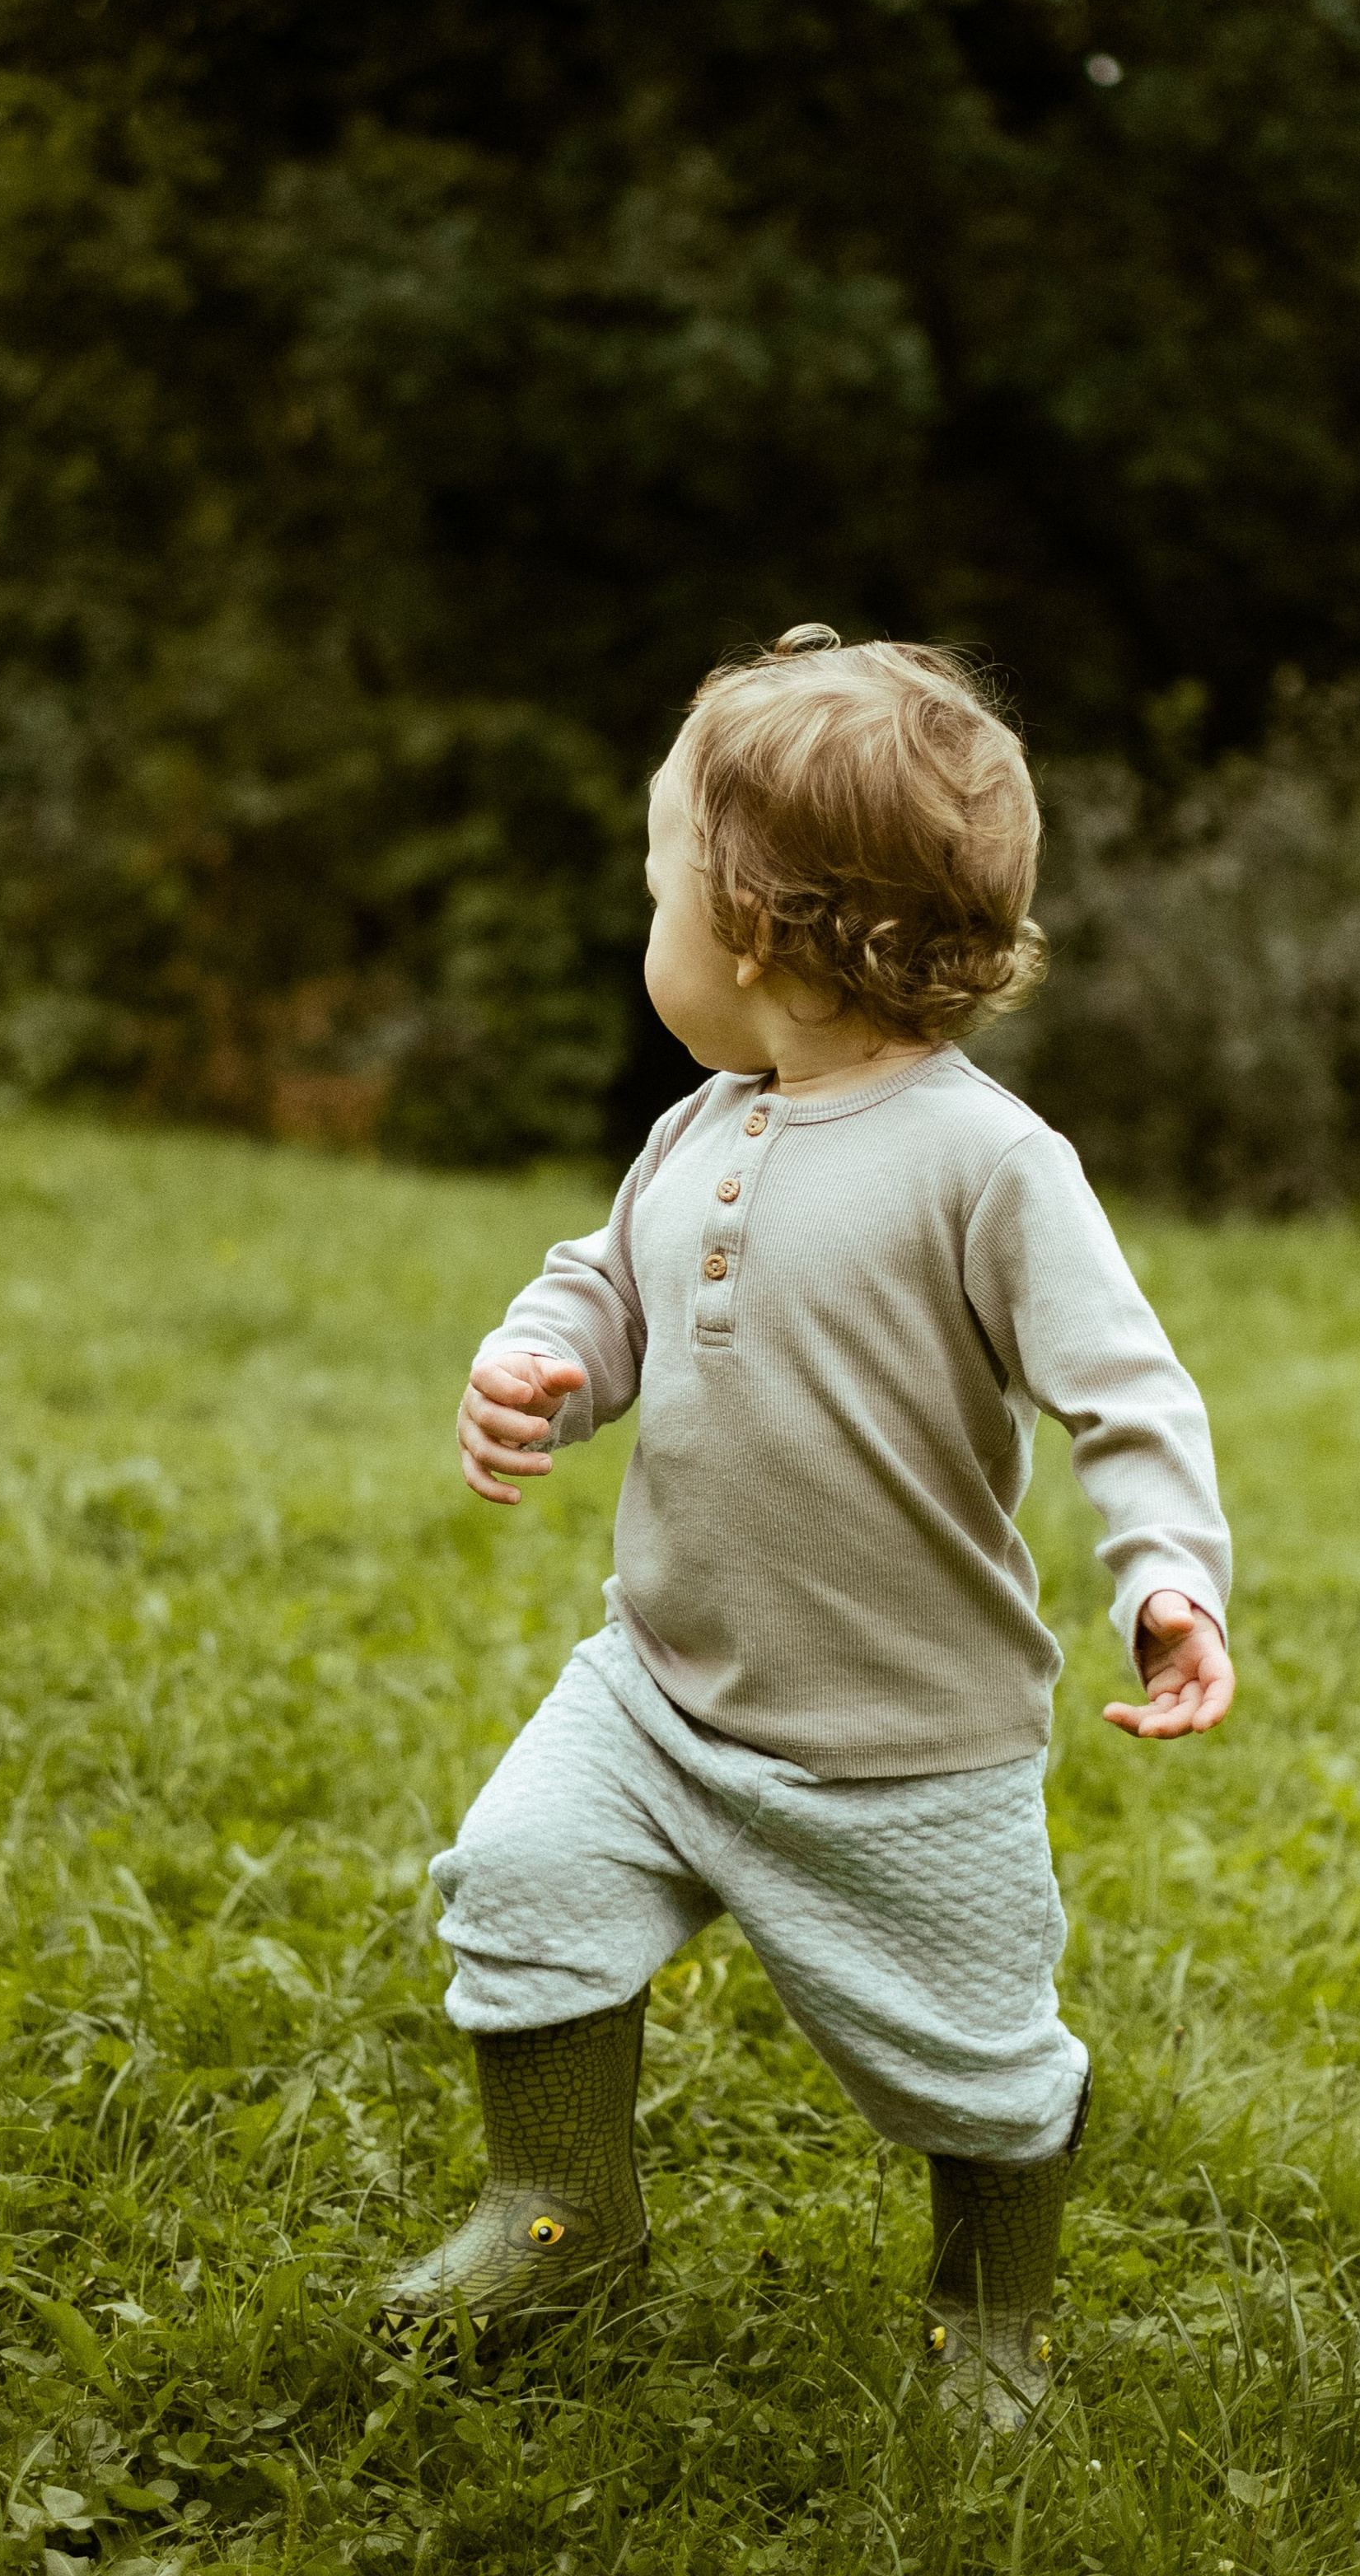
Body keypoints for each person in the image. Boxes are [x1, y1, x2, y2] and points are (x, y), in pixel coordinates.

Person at [381, 625, 1234, 2425]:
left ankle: (988, 2312)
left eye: (653, 891)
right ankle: (561, 2212)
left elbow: (1124, 1389)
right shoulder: (697, 1128)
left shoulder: (986, 1164)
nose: (643, 934)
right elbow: (605, 1285)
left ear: (754, 931)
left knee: (977, 2061)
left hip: (900, 1742)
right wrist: (541, 1355)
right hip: (658, 1685)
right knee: (521, 1880)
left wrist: (1165, 1575)